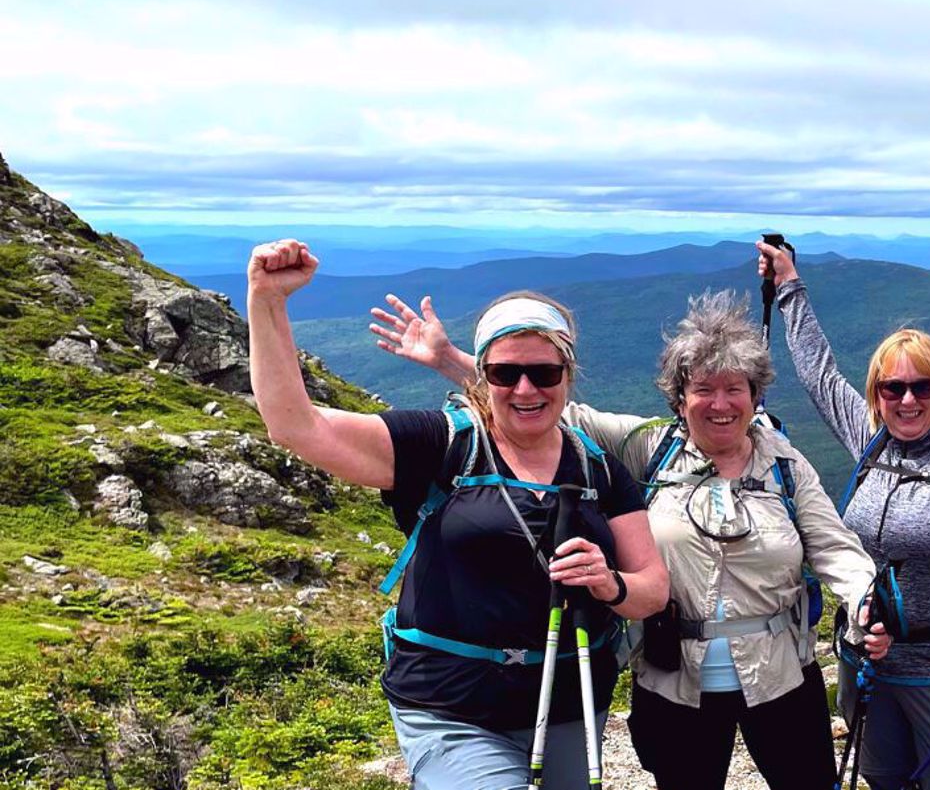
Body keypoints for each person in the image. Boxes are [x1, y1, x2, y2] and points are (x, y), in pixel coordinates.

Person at [367, 289, 893, 790]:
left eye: (736, 389)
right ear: (679, 398)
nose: (720, 404)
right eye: (703, 389)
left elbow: (834, 546)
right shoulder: (647, 448)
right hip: (674, 679)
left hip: (780, 676)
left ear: (756, 396)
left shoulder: (783, 465)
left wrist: (866, 600)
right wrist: (450, 360)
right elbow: (540, 402)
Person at [246, 239, 669, 789]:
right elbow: (295, 426)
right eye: (503, 374)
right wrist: (267, 300)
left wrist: (610, 584)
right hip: (449, 707)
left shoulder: (600, 471)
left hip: (568, 703)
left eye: (543, 373)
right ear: (482, 376)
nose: (524, 389)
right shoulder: (439, 444)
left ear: (568, 374)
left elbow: (652, 588)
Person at [756, 240, 930, 790]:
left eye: (922, 386)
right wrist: (789, 285)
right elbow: (820, 377)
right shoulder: (871, 440)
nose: (908, 400)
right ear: (877, 395)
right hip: (872, 663)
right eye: (893, 387)